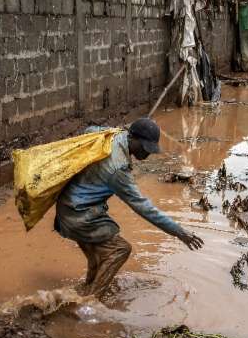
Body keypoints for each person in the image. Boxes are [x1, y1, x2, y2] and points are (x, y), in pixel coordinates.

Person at [54, 117, 204, 298]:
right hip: (80, 215)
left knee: (97, 259)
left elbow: (89, 130)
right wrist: (179, 232)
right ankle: (91, 301)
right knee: (120, 250)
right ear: (133, 139)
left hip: (67, 206)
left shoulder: (112, 134)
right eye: (145, 148)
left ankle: (84, 293)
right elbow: (143, 207)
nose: (147, 155)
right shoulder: (118, 170)